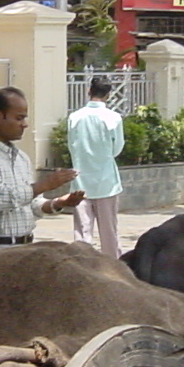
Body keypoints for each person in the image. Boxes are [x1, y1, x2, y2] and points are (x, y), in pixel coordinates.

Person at [0, 87, 79, 266]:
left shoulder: (21, 158)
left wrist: (57, 203)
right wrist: (44, 185)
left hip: (25, 249)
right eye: (19, 118)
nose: (25, 124)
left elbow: (29, 204)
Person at [65, 75, 126, 258]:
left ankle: (83, 267)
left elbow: (71, 146)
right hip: (106, 180)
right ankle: (114, 268)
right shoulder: (113, 118)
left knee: (82, 233)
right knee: (109, 232)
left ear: (88, 91)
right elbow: (117, 148)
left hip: (80, 180)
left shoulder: (75, 117)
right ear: (108, 94)